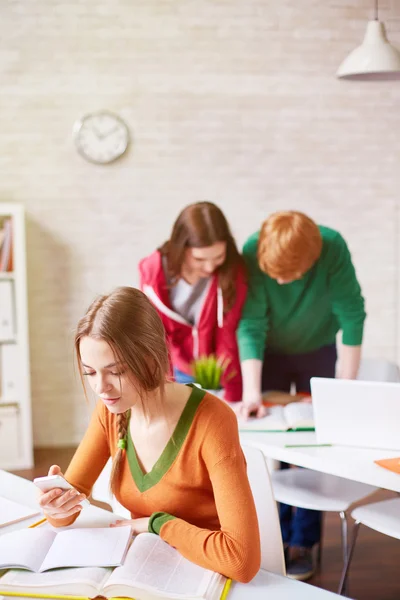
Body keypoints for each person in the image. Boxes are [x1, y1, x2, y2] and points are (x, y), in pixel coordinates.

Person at [38, 287, 260, 583]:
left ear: (151, 360)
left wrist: (157, 525)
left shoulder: (213, 421)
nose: (100, 387)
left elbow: (240, 561)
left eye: (115, 371)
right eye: (90, 372)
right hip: (145, 568)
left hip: (208, 576)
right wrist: (56, 506)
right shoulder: (111, 413)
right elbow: (71, 499)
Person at [237, 211, 366, 581]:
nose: (278, 281)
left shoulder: (332, 247)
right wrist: (250, 394)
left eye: (288, 276)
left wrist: (344, 390)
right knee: (267, 444)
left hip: (318, 348)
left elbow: (352, 314)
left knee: (313, 445)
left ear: (311, 262)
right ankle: (271, 533)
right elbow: (251, 321)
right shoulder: (252, 248)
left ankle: (303, 541)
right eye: (273, 273)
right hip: (269, 352)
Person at [138, 201, 247, 402]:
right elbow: (156, 335)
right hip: (174, 370)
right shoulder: (153, 273)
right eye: (199, 259)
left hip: (219, 371)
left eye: (218, 257)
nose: (210, 267)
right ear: (182, 248)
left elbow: (228, 333)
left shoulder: (234, 271)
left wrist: (234, 395)